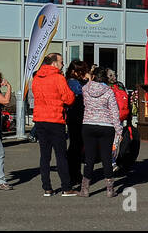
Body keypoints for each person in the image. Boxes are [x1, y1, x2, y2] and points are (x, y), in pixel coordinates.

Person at [30, 53, 77, 196]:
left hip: (40, 119)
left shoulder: (36, 78)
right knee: (61, 155)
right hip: (55, 119)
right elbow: (69, 98)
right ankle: (66, 187)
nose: (63, 64)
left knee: (45, 155)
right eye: (61, 62)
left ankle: (47, 188)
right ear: (54, 63)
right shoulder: (58, 78)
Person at [79, 67, 122, 197]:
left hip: (88, 124)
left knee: (89, 158)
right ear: (105, 78)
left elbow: (84, 103)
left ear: (93, 77)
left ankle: (85, 189)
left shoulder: (85, 89)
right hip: (106, 126)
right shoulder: (109, 91)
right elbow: (114, 112)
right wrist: (119, 130)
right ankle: (110, 189)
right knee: (106, 158)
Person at [64, 59, 89, 187]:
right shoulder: (72, 82)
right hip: (75, 117)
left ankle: (75, 174)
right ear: (74, 71)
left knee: (77, 146)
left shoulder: (76, 81)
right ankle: (73, 174)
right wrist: (89, 81)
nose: (82, 74)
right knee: (75, 146)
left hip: (77, 117)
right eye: (80, 71)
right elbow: (82, 91)